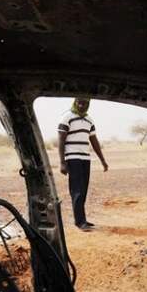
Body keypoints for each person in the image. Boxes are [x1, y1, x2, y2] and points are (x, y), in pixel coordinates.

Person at [58, 98, 108, 230]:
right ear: (75, 102)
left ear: (88, 104)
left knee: (83, 190)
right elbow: (61, 140)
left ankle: (81, 219)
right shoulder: (67, 117)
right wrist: (62, 162)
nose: (81, 105)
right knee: (77, 190)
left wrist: (102, 160)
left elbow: (94, 141)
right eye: (79, 102)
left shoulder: (89, 120)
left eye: (85, 103)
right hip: (72, 158)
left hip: (86, 158)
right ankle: (80, 222)